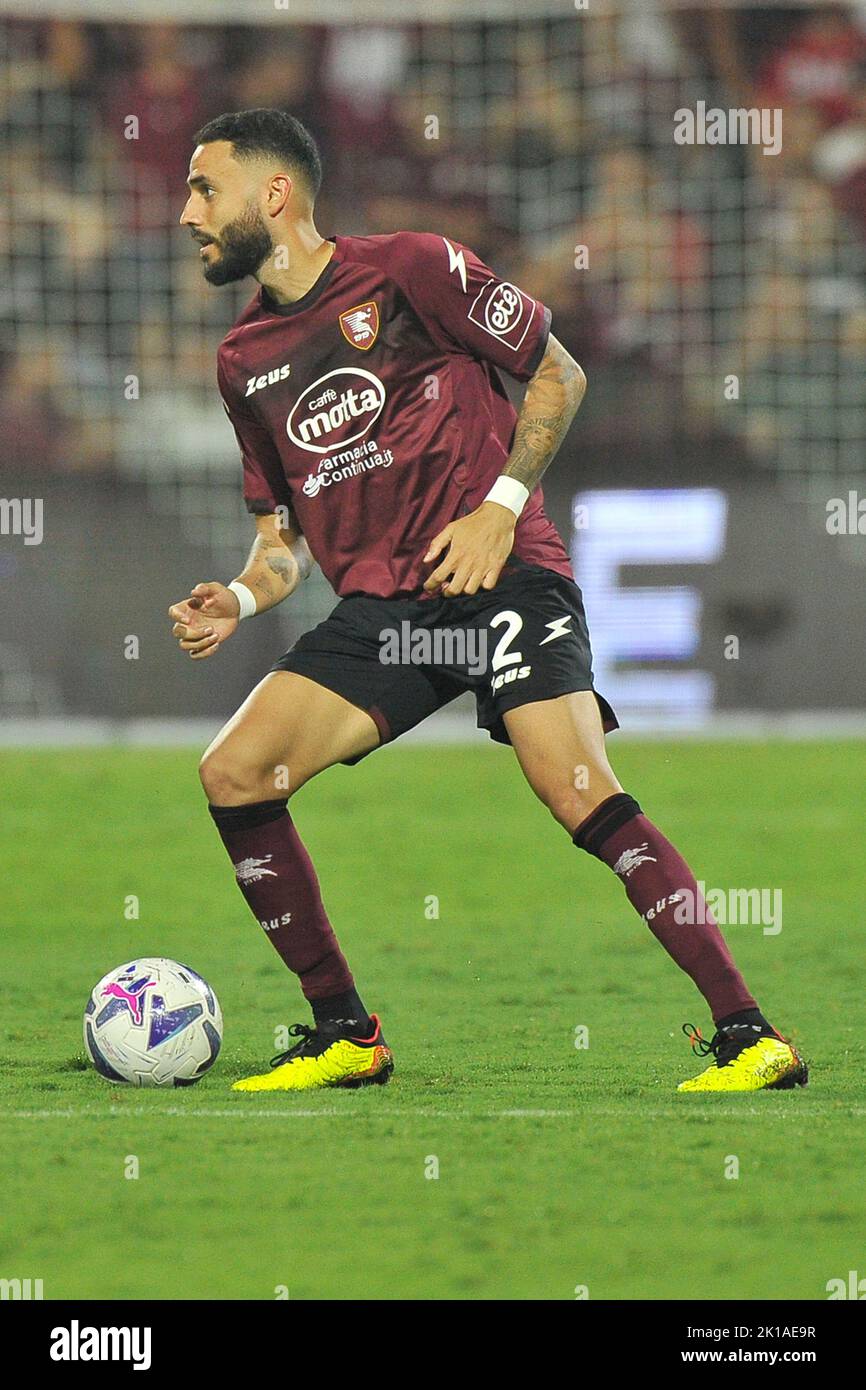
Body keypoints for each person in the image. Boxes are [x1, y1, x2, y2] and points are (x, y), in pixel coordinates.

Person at [170, 107, 807, 1094]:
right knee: (234, 773)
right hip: (390, 616)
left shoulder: (411, 268)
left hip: (504, 577)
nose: (187, 213)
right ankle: (345, 1032)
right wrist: (241, 602)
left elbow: (557, 373)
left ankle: (748, 1035)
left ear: (275, 192)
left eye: (204, 188)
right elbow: (279, 543)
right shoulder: (243, 359)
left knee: (574, 787)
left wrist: (499, 509)